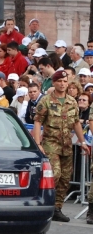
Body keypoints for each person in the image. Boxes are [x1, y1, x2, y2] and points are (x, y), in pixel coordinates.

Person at [33, 70, 90, 222]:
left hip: (67, 144)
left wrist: (82, 141)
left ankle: (57, 208)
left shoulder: (72, 102)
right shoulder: (46, 101)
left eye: (65, 82)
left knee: (65, 178)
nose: (63, 84)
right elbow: (38, 121)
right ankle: (46, 205)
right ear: (54, 82)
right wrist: (38, 143)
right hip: (51, 143)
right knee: (55, 174)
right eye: (59, 81)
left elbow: (76, 122)